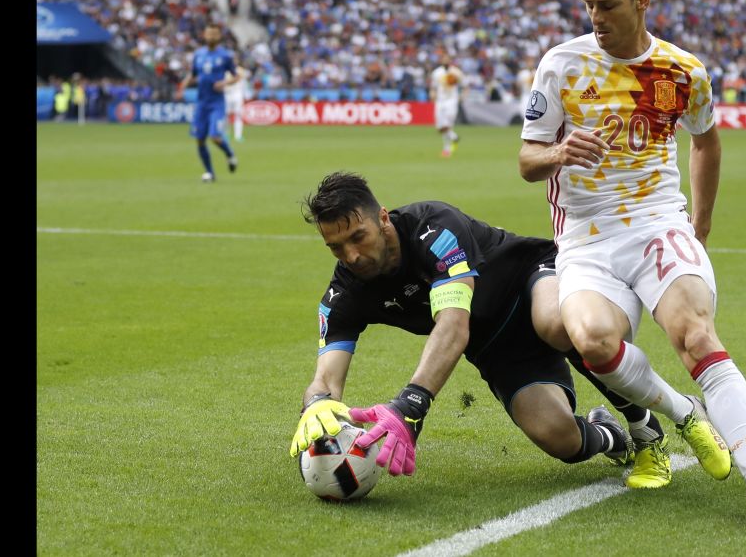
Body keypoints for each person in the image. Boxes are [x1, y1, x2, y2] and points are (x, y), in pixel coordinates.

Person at [517, 0, 746, 521]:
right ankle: (684, 414)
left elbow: (706, 141)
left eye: (608, 5)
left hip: (656, 223)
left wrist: (702, 219)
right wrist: (560, 151)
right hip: (586, 240)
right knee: (592, 341)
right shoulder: (560, 65)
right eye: (588, 4)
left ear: (642, 1)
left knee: (694, 334)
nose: (595, 17)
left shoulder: (682, 70)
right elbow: (526, 159)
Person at [289, 172, 679, 488]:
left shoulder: (432, 227)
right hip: (496, 345)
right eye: (336, 248)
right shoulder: (345, 293)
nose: (351, 256)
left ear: (383, 218)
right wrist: (318, 404)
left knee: (556, 324)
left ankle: (646, 430)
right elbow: (325, 378)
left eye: (358, 237)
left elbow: (454, 325)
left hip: (533, 280)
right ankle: (611, 435)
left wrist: (411, 405)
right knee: (558, 439)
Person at [180, 23, 240, 183]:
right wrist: (182, 86)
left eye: (214, 34)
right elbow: (192, 75)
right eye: (209, 33)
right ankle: (210, 173)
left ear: (219, 36)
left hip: (217, 103)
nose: (211, 36)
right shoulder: (198, 54)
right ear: (204, 36)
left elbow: (236, 76)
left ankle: (230, 154)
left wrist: (224, 83)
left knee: (214, 137)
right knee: (200, 139)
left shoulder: (225, 56)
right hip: (201, 103)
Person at [429, 52, 465, 158]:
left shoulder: (456, 72)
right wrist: (432, 95)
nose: (445, 61)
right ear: (441, 60)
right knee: (440, 127)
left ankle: (446, 149)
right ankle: (454, 137)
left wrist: (462, 96)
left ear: (450, 60)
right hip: (440, 100)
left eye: (447, 59)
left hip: (451, 100)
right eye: (443, 59)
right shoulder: (436, 73)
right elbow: (433, 87)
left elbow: (465, 85)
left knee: (447, 125)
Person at [224, 64, 251, 143]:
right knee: (226, 115)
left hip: (237, 94)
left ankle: (238, 136)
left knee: (238, 115)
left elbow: (244, 83)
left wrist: (246, 94)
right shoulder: (224, 69)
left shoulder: (240, 70)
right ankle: (226, 135)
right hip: (227, 94)